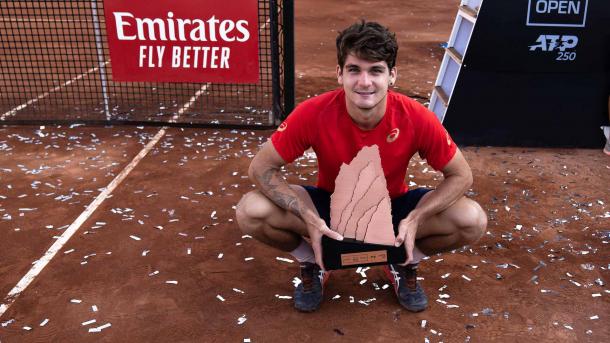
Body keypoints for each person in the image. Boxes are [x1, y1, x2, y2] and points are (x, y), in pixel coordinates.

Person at [235, 21, 487, 313]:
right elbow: (261, 169)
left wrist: (417, 216)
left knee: (471, 219)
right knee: (251, 211)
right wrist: (308, 217)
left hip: (393, 209)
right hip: (329, 209)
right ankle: (313, 263)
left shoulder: (415, 116)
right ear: (340, 74)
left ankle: (403, 261)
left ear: (392, 76)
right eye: (354, 70)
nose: (364, 82)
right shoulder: (313, 112)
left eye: (376, 70)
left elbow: (461, 175)